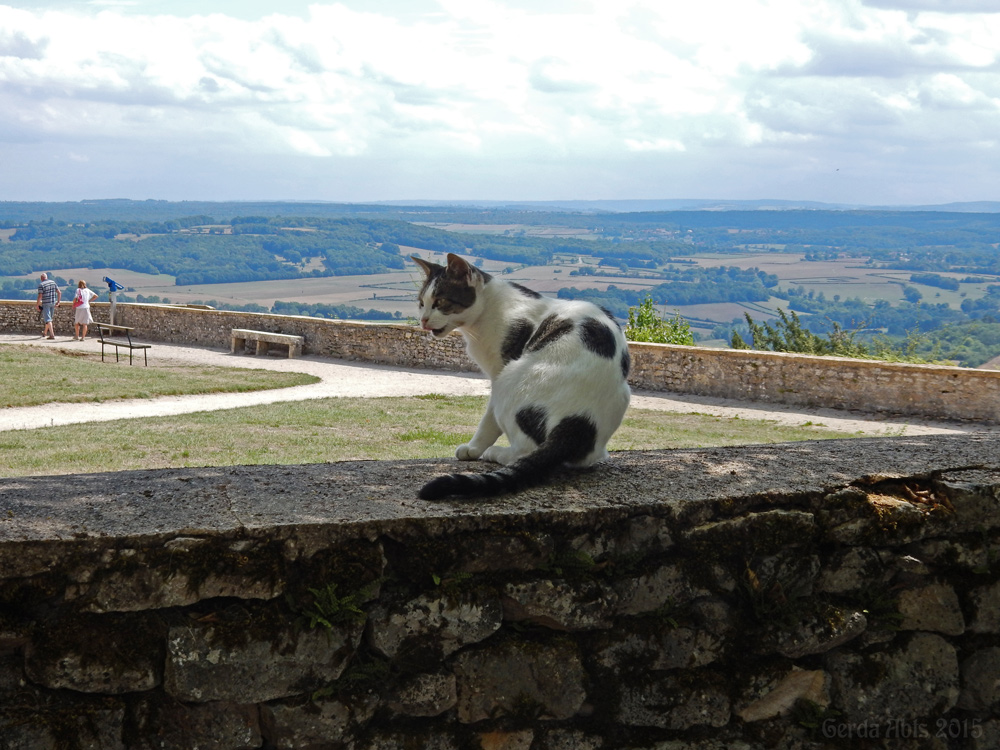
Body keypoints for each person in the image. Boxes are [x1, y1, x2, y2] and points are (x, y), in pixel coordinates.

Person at [36, 272, 62, 339]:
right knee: (49, 319)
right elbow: (59, 292)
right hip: (53, 302)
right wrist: (58, 302)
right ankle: (44, 333)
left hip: (46, 303)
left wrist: (37, 305)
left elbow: (40, 296)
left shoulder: (41, 285)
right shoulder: (53, 282)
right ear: (46, 277)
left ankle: (52, 335)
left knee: (48, 319)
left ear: (41, 278)